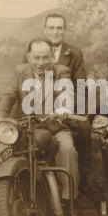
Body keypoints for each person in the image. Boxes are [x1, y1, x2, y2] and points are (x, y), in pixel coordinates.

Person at [0, 38, 79, 201]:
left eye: (45, 57)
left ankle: (68, 199)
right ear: (29, 57)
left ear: (52, 56)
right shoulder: (20, 72)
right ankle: (6, 196)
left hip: (54, 126)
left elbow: (66, 91)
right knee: (4, 146)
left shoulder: (61, 71)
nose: (41, 62)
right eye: (37, 57)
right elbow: (9, 95)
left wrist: (64, 108)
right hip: (25, 126)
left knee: (67, 149)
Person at [23, 13, 91, 188]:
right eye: (51, 28)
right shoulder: (35, 50)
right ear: (45, 29)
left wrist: (65, 107)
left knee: (83, 129)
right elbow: (25, 81)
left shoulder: (74, 53)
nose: (55, 31)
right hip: (40, 109)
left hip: (68, 106)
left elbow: (79, 86)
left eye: (59, 28)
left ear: (65, 30)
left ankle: (81, 179)